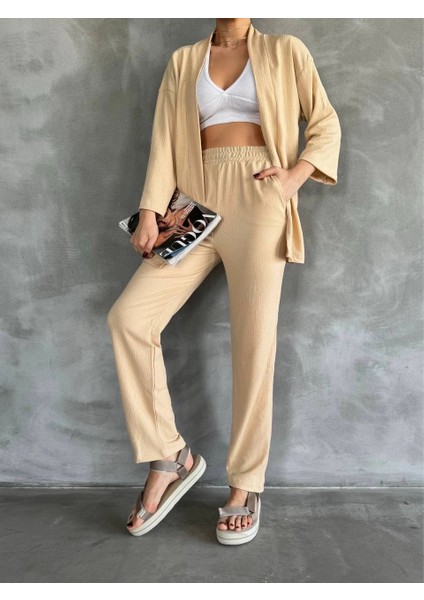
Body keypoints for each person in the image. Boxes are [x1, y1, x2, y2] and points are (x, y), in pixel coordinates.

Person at [107, 18, 342, 545]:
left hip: (260, 197)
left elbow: (325, 122)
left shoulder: (285, 50)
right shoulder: (183, 61)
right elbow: (165, 141)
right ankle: (169, 456)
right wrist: (150, 211)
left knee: (254, 345)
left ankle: (245, 485)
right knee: (129, 318)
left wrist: (293, 177)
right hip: (195, 204)